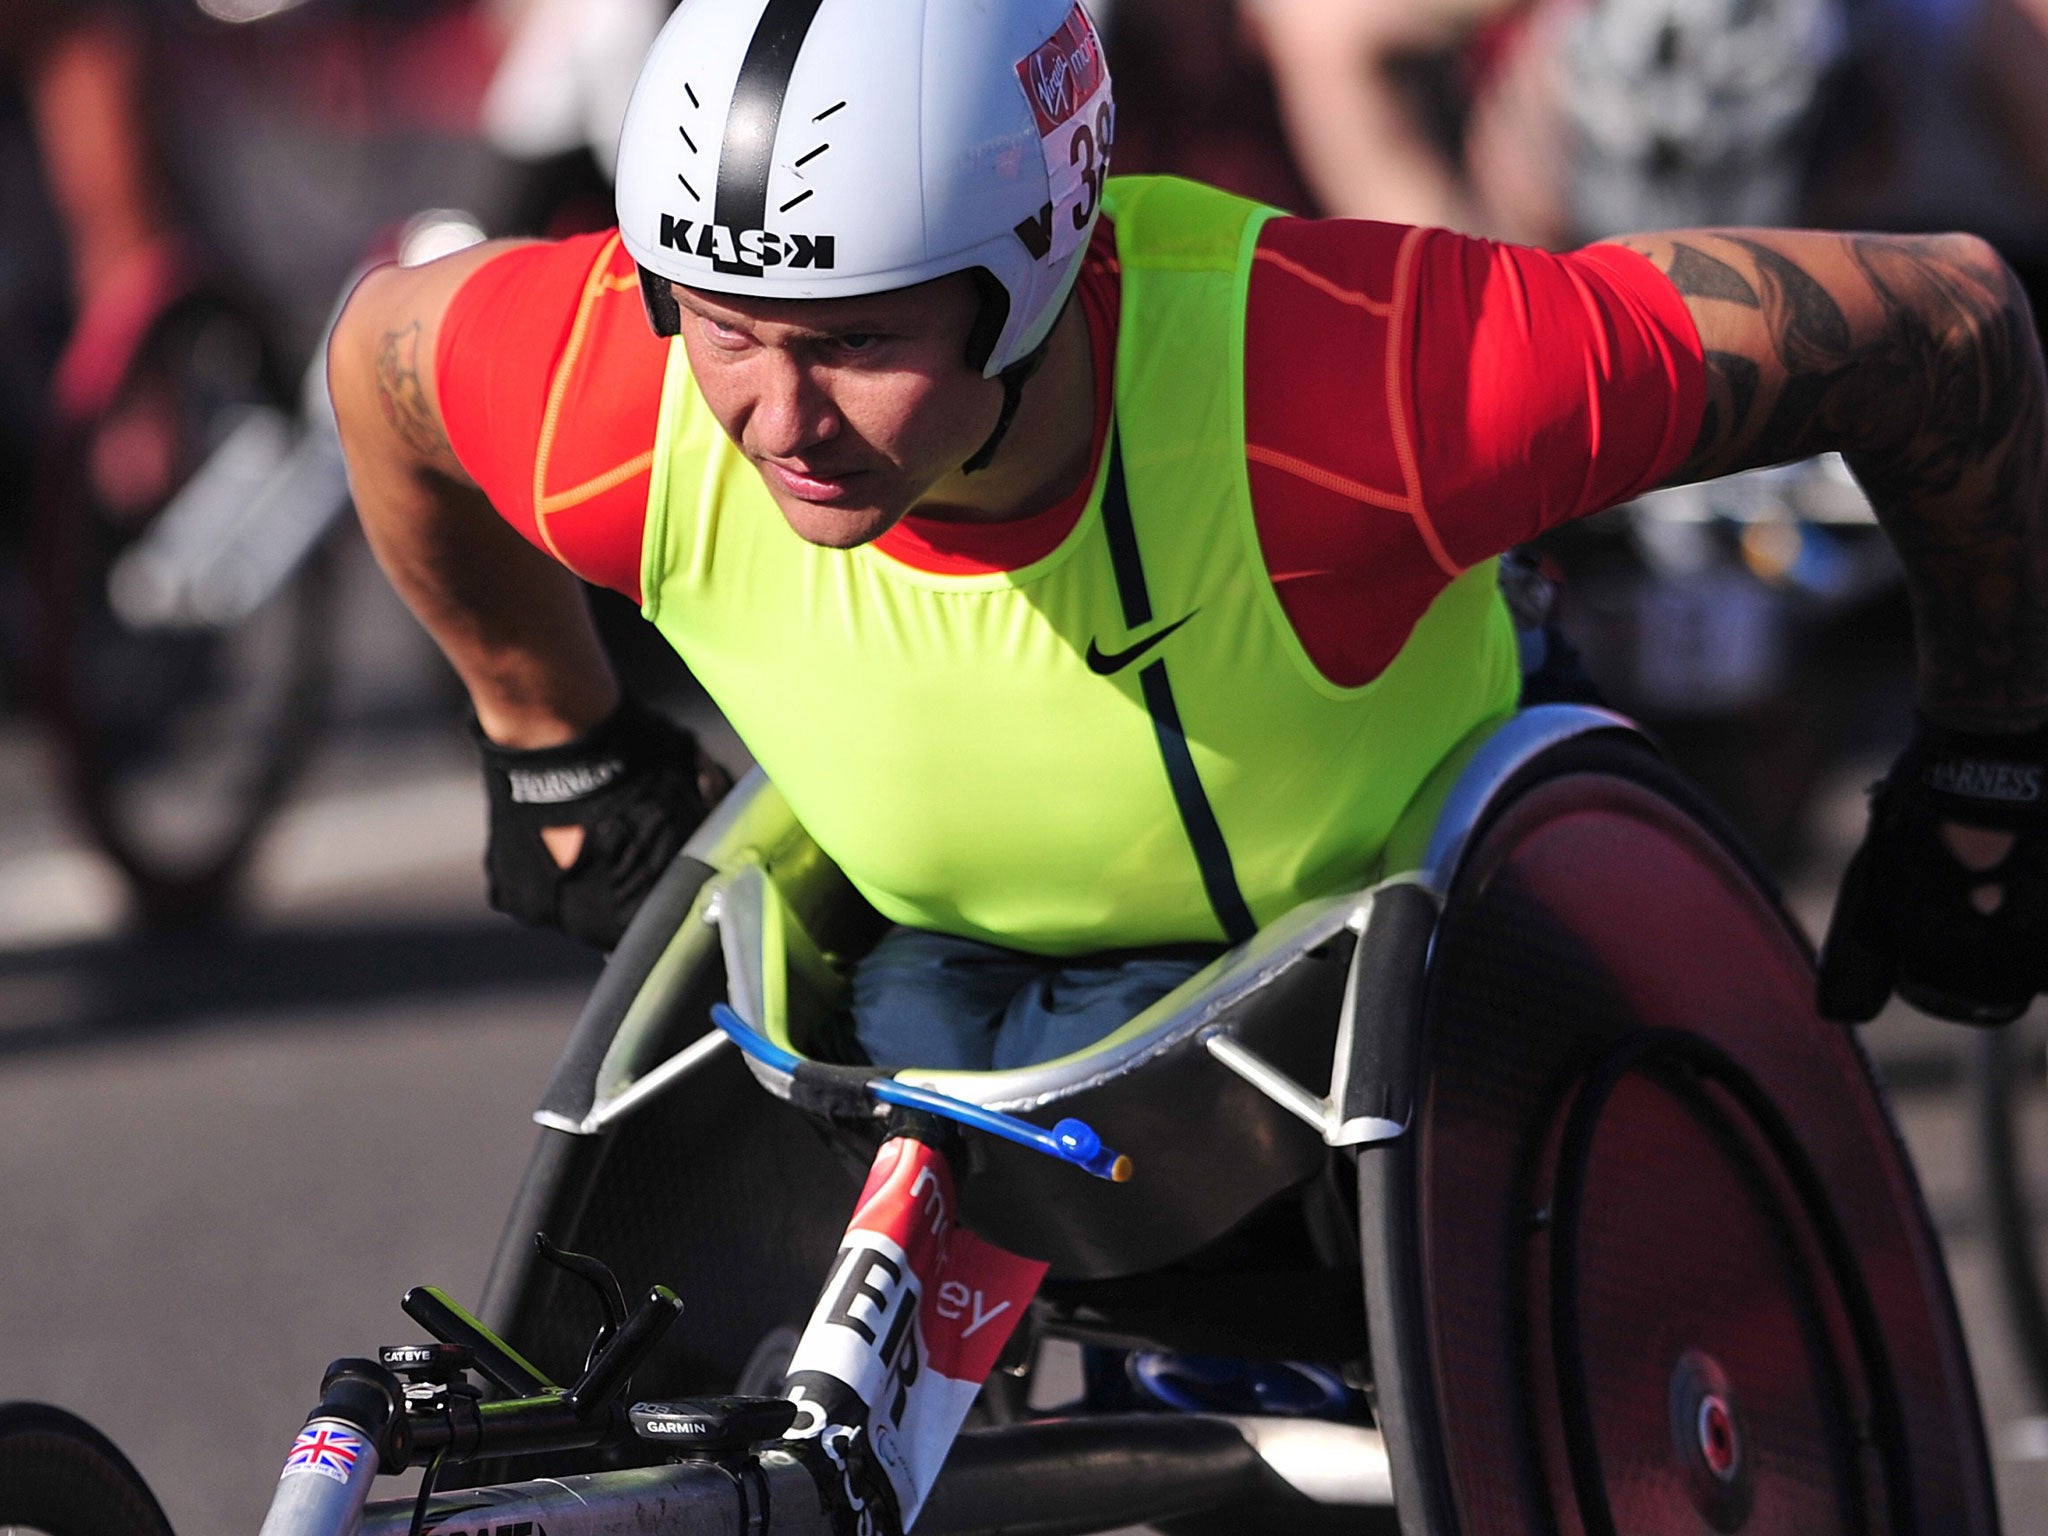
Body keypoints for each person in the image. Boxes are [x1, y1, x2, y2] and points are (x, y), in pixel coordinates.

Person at [328, 0, 2048, 1066]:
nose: (776, 420)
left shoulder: (1366, 387)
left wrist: (1991, 744)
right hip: (945, 998)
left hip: (1420, 970)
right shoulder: (608, 385)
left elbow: (1945, 324)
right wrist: (549, 735)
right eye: (723, 325)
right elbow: (380, 358)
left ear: (1039, 266)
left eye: (857, 343)